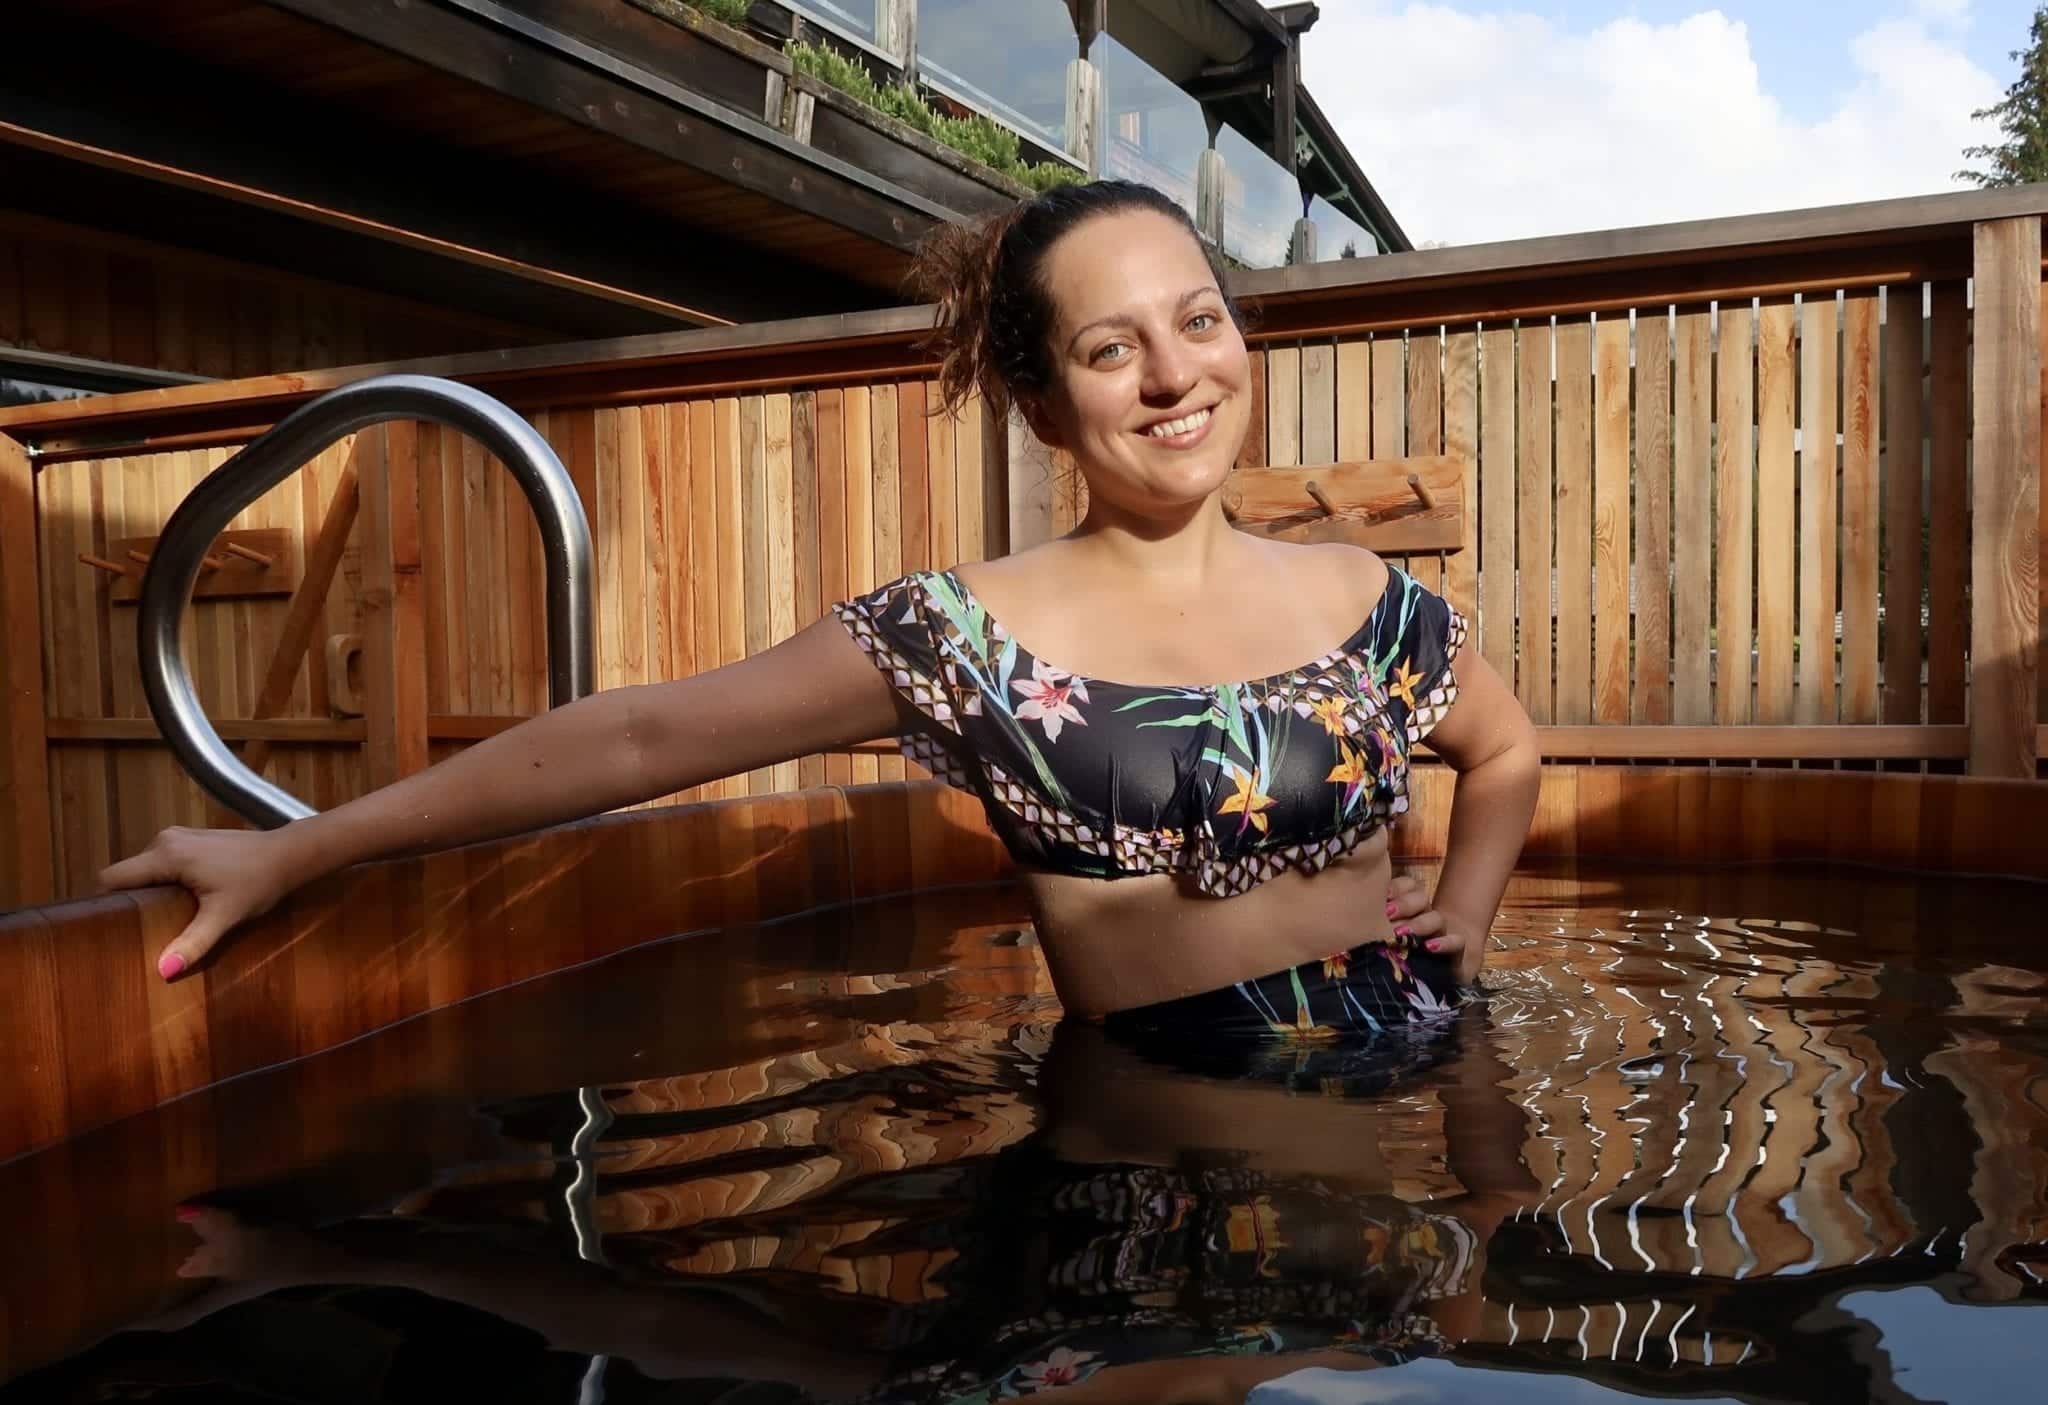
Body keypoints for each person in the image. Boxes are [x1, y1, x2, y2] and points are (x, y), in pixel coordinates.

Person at [102, 179, 1540, 1042]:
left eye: (1202, 320)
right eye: (1113, 347)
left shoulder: (1369, 601)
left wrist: (1463, 920)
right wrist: (303, 850)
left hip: (1406, 1131)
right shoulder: (963, 643)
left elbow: (1509, 751)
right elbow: (636, 738)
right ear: (1042, 400)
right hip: (1148, 1171)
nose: (1175, 376)